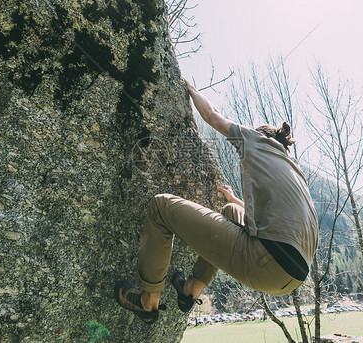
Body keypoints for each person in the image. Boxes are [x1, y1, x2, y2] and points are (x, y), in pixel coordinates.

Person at [115, 78, 319, 324]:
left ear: (260, 135)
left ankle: (148, 300)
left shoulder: (257, 141)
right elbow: (278, 224)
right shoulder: (296, 172)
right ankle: (191, 288)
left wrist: (190, 88)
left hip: (266, 262)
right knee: (231, 210)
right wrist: (238, 201)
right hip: (293, 276)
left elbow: (212, 116)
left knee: (160, 206)